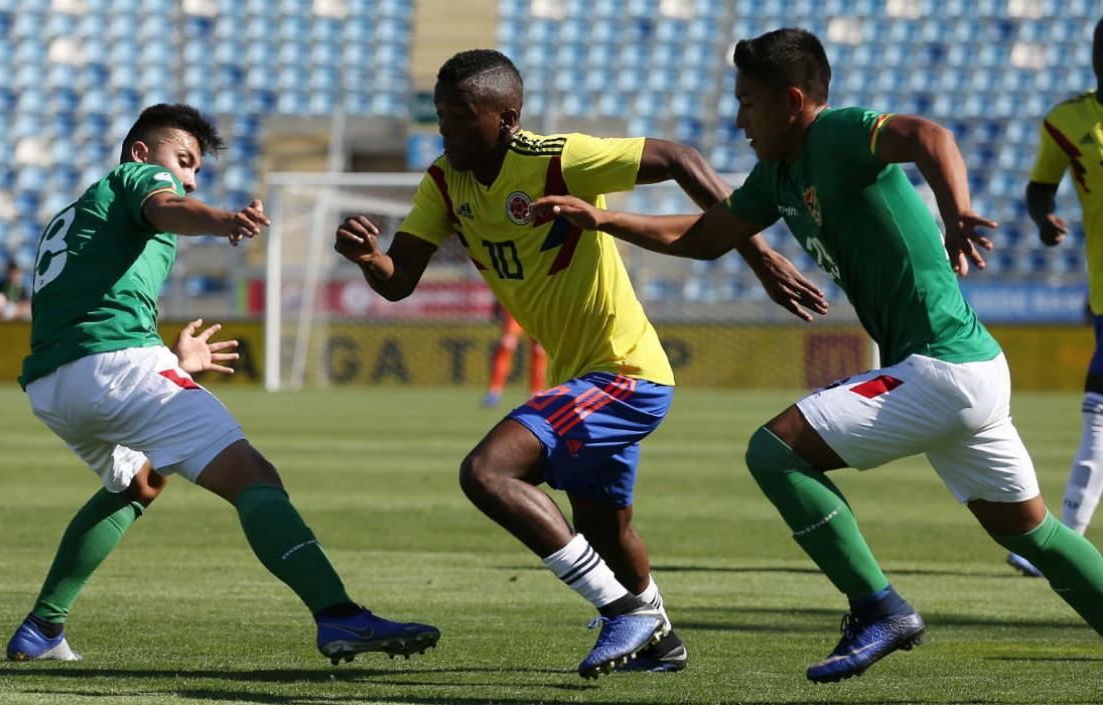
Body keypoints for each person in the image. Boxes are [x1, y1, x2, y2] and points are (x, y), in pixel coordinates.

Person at [532, 28, 1103, 684]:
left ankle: (878, 607)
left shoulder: (836, 133)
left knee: (774, 451)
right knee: (1035, 535)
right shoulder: (777, 173)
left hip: (941, 367)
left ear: (794, 100)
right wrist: (606, 221)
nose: (739, 117)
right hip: (966, 372)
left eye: (749, 103)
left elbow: (928, 136)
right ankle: (882, 606)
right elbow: (704, 235)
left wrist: (956, 211)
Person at [334, 49, 823, 678]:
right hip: (585, 378)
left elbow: (680, 158)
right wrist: (370, 258)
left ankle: (621, 610)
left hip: (624, 373)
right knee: (604, 528)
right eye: (440, 117)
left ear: (506, 117)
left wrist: (757, 256)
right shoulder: (443, 183)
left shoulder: (558, 159)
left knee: (487, 472)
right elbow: (399, 282)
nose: (445, 131)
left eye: (460, 117)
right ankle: (661, 639)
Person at [6, 104, 439, 665]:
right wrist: (221, 220)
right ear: (142, 153)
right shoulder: (135, 177)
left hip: (53, 386)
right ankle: (340, 617)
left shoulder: (77, 213)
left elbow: (88, 312)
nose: (188, 176)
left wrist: (173, 363)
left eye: (197, 171)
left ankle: (42, 628)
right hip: (114, 365)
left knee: (141, 481)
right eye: (183, 161)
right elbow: (167, 205)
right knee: (253, 475)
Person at [1020, 18, 1103, 578]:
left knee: (1099, 412)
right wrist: (1043, 218)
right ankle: (1061, 539)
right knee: (1098, 412)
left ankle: (1061, 540)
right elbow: (1039, 186)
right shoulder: (1069, 120)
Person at [483, 302, 546, 407]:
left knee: (539, 349)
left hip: (536, 310)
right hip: (516, 308)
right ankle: (494, 392)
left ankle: (535, 394)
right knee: (507, 344)